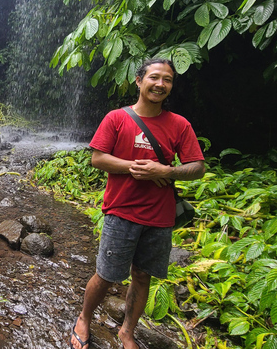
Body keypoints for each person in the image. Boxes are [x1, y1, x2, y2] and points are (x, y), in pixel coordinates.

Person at [69, 58, 205, 349]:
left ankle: (127, 331)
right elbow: (97, 158)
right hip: (121, 211)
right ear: (139, 80)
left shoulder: (179, 125)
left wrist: (167, 171)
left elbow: (197, 167)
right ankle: (83, 318)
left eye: (167, 80)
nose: (160, 84)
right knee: (106, 275)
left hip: (160, 216)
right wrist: (138, 167)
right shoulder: (117, 118)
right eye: (154, 77)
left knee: (142, 277)